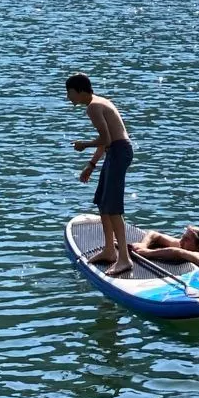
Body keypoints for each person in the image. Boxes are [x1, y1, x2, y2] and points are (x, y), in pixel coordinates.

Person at [67, 72, 134, 276]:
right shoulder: (98, 102)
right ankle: (109, 250)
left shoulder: (93, 107)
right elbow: (106, 140)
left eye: (69, 92)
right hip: (115, 152)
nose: (68, 97)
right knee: (103, 202)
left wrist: (84, 145)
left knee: (113, 207)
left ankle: (124, 259)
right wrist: (91, 164)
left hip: (119, 152)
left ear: (80, 91)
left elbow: (106, 139)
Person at [130, 226, 199, 276]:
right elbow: (154, 234)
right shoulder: (183, 244)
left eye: (186, 239)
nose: (181, 241)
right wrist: (144, 244)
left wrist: (148, 253)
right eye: (183, 237)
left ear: (198, 247)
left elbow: (176, 252)